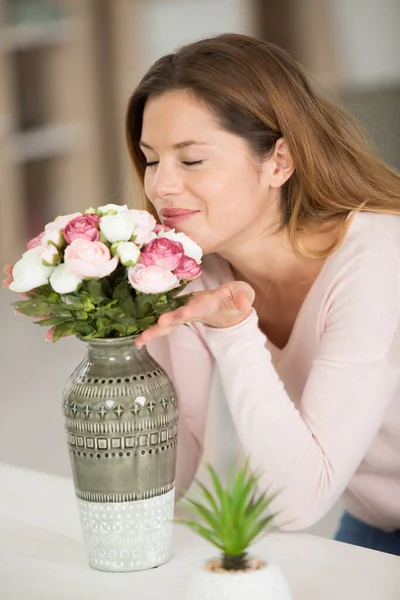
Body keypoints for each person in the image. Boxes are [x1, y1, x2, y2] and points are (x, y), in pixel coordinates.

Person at [4, 33, 400, 555]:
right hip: (375, 521)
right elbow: (174, 480)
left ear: (279, 161)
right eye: (151, 159)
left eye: (191, 161)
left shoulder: (378, 257)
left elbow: (300, 503)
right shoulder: (196, 266)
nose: (160, 187)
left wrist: (235, 333)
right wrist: (117, 328)